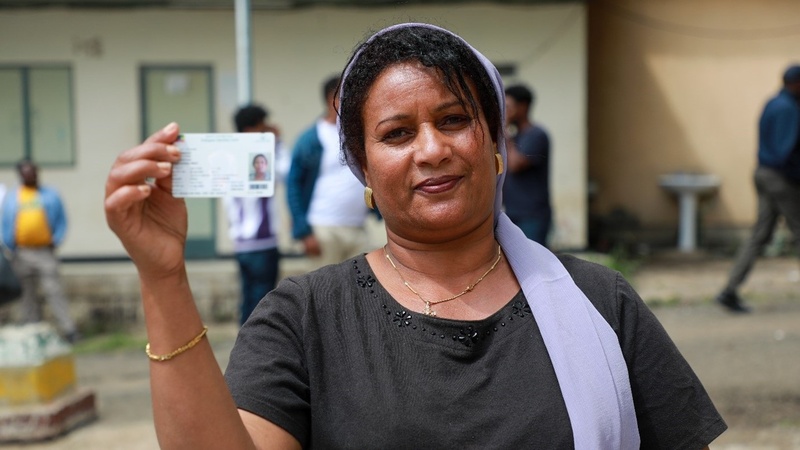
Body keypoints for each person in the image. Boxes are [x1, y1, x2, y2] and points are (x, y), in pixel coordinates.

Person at [104, 23, 726, 449]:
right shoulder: (304, 318)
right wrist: (163, 277)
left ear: (494, 143)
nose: (432, 149)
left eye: (454, 120)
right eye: (397, 134)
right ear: (363, 166)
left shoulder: (598, 303)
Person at [716, 65, 800, 314]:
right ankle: (729, 290)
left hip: (763, 173)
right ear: (795, 84)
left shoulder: (773, 103)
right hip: (779, 178)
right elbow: (786, 153)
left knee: (760, 234)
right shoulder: (788, 109)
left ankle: (729, 290)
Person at [286, 75, 372, 269]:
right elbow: (294, 186)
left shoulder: (357, 134)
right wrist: (304, 232)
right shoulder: (310, 140)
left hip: (358, 228)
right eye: (346, 96)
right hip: (323, 229)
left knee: (361, 291)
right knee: (325, 293)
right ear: (332, 99)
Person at [2, 159, 78, 342]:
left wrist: (56, 239)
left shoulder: (50, 195)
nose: (30, 175)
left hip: (44, 252)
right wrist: (9, 245)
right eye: (26, 172)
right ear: (20, 174)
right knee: (27, 294)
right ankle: (31, 328)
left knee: (54, 290)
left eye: (33, 171)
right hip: (21, 253)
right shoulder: (13, 197)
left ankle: (69, 330)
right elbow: (5, 223)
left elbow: (61, 219)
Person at [224, 104, 287, 325]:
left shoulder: (229, 155)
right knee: (262, 300)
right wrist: (277, 144)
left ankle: (244, 342)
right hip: (262, 239)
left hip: (240, 240)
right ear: (251, 129)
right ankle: (256, 347)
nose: (266, 130)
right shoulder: (258, 157)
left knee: (248, 297)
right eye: (263, 126)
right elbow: (284, 171)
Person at [502, 84, 552, 246]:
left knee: (533, 266)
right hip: (512, 213)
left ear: (522, 107)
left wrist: (504, 129)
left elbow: (516, 165)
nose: (505, 111)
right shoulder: (515, 137)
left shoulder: (537, 135)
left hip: (532, 216)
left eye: (508, 106)